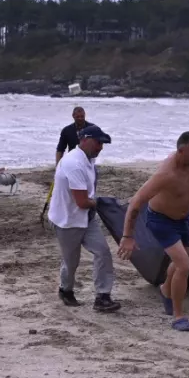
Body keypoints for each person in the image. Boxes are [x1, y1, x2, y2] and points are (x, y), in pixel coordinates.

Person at [117, 132, 189, 332]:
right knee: (184, 266)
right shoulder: (166, 174)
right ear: (181, 152)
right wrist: (128, 236)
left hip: (184, 218)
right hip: (161, 221)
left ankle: (166, 290)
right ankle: (178, 316)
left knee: (181, 261)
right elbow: (136, 202)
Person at [48, 124, 121, 312]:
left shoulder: (89, 158)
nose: (100, 148)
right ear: (85, 140)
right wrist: (101, 203)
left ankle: (103, 296)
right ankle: (66, 290)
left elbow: (86, 198)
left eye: (102, 144)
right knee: (71, 261)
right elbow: (81, 201)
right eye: (98, 143)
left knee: (103, 252)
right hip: (68, 220)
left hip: (87, 218)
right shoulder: (74, 163)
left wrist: (96, 204)